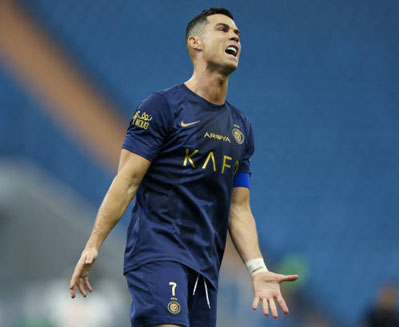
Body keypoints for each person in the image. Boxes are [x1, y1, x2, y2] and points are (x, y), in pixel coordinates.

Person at [69, 7, 298, 327]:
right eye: (222, 29)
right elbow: (127, 180)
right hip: (158, 251)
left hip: (205, 267)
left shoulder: (241, 127)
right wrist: (93, 244)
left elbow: (239, 208)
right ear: (196, 43)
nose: (234, 36)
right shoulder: (161, 107)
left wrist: (257, 269)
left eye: (238, 35)